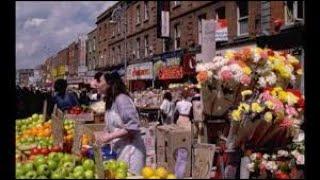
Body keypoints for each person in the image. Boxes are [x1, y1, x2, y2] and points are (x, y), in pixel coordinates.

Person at [94, 71, 146, 175]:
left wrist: (110, 137)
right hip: (120, 149)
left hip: (131, 151)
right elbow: (114, 125)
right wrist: (103, 133)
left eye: (99, 81)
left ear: (109, 83)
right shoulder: (111, 101)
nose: (97, 84)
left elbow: (133, 126)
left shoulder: (122, 99)